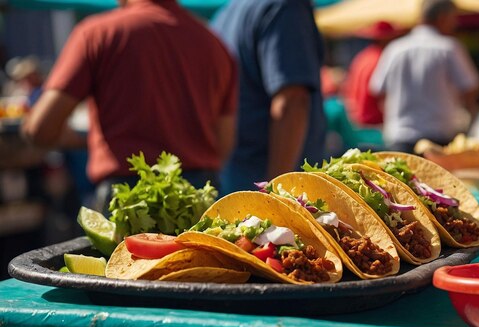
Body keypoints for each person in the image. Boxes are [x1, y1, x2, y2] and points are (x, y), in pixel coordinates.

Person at [21, 0, 237, 211]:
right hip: (199, 198)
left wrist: (85, 140)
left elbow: (39, 129)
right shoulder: (214, 44)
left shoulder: (98, 33)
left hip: (127, 201)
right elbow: (224, 143)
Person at [212, 0, 326, 194]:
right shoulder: (284, 6)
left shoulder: (225, 13)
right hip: (274, 191)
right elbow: (292, 101)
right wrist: (273, 194)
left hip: (234, 179)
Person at [369, 0, 479, 153]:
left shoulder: (395, 48)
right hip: (439, 138)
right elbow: (470, 88)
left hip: (400, 137)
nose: (455, 24)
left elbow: (377, 90)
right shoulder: (449, 48)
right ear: (442, 17)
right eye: (453, 18)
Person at [342, 21, 404, 127]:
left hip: (356, 122)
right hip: (373, 124)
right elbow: (379, 95)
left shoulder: (363, 56)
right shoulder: (382, 59)